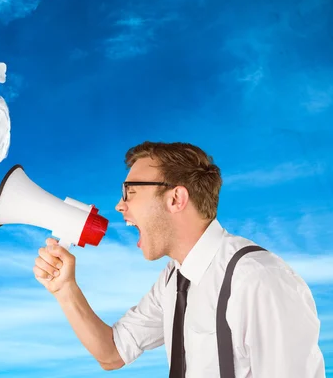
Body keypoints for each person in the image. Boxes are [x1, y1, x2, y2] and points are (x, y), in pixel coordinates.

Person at [32, 141, 325, 377]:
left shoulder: (258, 279)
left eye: (130, 192)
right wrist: (65, 290)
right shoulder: (175, 279)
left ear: (175, 199)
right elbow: (112, 353)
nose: (120, 205)